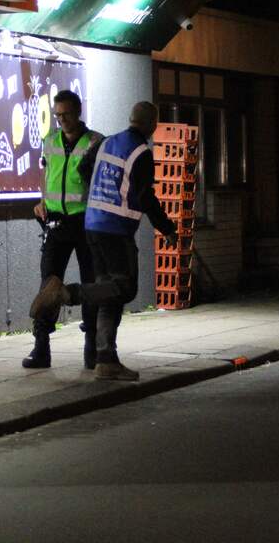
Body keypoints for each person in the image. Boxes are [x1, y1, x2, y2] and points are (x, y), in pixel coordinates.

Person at [79, 101, 178, 381]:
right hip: (116, 229)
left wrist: (99, 194)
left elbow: (84, 168)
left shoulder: (106, 142)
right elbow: (146, 197)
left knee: (108, 292)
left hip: (93, 224)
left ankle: (105, 359)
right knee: (124, 288)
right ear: (152, 125)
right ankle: (67, 294)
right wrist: (166, 228)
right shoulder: (141, 153)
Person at [24, 91, 103, 369]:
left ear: (78, 112)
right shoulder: (50, 141)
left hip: (86, 222)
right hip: (56, 221)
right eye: (57, 115)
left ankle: (93, 347)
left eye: (66, 114)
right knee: (49, 284)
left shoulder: (95, 142)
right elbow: (46, 174)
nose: (62, 120)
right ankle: (41, 347)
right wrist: (42, 200)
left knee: (91, 283)